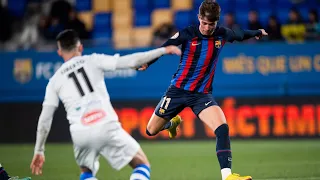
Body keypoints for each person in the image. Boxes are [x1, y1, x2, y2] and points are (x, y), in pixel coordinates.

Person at [139, 1, 268, 180]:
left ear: (217, 22)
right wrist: (147, 61)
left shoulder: (222, 34)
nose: (207, 28)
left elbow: (239, 34)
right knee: (151, 130)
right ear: (199, 18)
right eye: (204, 23)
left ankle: (227, 176)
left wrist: (257, 32)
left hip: (201, 95)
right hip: (176, 91)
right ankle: (172, 123)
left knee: (222, 128)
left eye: (211, 24)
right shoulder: (187, 34)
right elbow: (165, 47)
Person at [29, 29, 181, 180]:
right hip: (105, 125)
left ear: (60, 52)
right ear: (80, 47)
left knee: (86, 171)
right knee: (142, 165)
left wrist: (39, 151)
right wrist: (162, 50)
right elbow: (131, 61)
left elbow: (45, 120)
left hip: (80, 133)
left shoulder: (54, 80)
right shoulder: (93, 60)